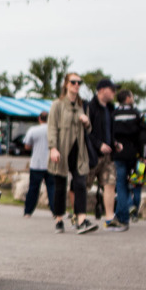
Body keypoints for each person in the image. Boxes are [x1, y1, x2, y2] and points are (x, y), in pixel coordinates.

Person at [48, 72, 98, 234]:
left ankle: (81, 219)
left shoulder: (82, 105)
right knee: (60, 185)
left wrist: (87, 121)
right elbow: (52, 127)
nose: (77, 85)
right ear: (66, 84)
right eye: (73, 82)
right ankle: (59, 219)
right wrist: (53, 148)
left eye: (79, 82)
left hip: (79, 150)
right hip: (62, 149)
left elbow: (89, 129)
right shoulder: (58, 104)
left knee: (80, 183)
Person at [110, 89, 146, 231]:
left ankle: (122, 216)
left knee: (120, 184)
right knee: (137, 182)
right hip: (136, 156)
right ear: (127, 98)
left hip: (119, 155)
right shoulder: (139, 115)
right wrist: (144, 156)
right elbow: (144, 137)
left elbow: (110, 134)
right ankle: (133, 206)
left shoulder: (113, 115)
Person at [86, 78, 120, 226]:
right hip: (91, 154)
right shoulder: (90, 107)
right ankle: (76, 214)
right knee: (82, 185)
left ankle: (109, 218)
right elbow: (86, 131)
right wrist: (98, 145)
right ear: (101, 90)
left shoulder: (111, 109)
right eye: (111, 89)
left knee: (110, 183)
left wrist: (115, 143)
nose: (114, 92)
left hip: (108, 155)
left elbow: (111, 131)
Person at [22, 111, 55, 218]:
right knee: (51, 188)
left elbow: (27, 146)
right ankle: (55, 212)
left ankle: (28, 212)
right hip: (50, 163)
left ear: (39, 119)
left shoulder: (33, 130)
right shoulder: (53, 131)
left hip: (36, 163)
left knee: (33, 188)